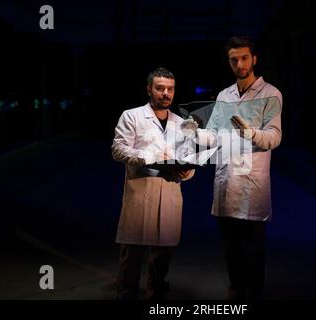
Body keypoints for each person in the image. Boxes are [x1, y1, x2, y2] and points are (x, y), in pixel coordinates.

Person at [183, 36, 282, 299]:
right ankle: (236, 291)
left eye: (244, 58)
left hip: (251, 182)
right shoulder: (225, 96)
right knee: (230, 248)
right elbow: (214, 136)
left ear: (254, 59)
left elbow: (274, 137)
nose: (239, 64)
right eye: (234, 59)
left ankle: (253, 295)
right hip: (227, 181)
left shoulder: (270, 94)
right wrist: (195, 133)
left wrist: (251, 133)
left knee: (253, 248)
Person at [111, 67, 194, 300]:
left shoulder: (183, 123)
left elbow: (189, 156)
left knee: (162, 256)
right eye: (160, 88)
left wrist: (187, 170)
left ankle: (155, 298)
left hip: (169, 194)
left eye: (170, 89)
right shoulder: (132, 116)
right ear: (149, 90)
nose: (165, 93)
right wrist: (151, 157)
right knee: (132, 256)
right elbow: (118, 149)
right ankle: (126, 295)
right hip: (141, 194)